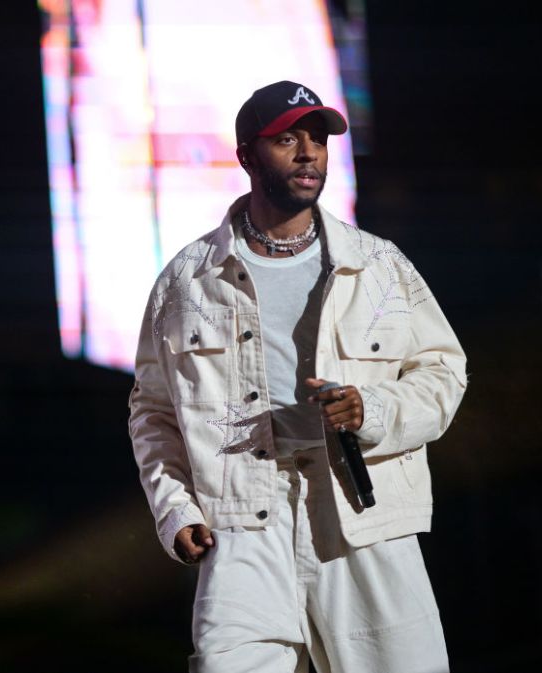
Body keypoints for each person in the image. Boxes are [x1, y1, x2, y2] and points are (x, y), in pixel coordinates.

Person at [128, 80, 468, 673]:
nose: (309, 153)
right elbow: (153, 412)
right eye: (287, 140)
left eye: (318, 139)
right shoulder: (188, 281)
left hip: (359, 514)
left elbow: (443, 373)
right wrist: (176, 509)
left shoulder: (378, 265)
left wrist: (370, 410)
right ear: (246, 155)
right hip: (241, 520)